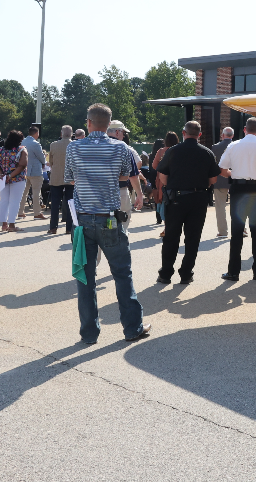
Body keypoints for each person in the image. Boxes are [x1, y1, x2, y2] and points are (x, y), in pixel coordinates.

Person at [64, 103, 149, 344]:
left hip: (82, 220)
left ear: (88, 123)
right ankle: (133, 328)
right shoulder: (120, 147)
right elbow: (125, 175)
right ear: (109, 124)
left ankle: (89, 333)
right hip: (110, 218)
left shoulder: (74, 147)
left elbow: (70, 180)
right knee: (122, 274)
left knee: (85, 277)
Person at [155, 121, 220, 284]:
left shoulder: (172, 151)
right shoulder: (207, 153)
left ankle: (166, 273)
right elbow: (213, 179)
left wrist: (171, 185)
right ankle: (186, 273)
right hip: (198, 198)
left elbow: (162, 175)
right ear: (199, 135)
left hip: (176, 197)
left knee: (171, 236)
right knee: (193, 238)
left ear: (183, 133)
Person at [218, 117, 256, 281]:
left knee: (237, 231)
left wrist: (233, 174)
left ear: (245, 129)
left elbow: (222, 170)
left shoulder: (233, 145)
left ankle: (233, 272)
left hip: (238, 188)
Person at [107, 121, 143, 228]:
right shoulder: (124, 148)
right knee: (122, 226)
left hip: (98, 192)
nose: (124, 135)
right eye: (123, 132)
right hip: (119, 191)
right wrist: (139, 194)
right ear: (117, 132)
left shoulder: (96, 146)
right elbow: (133, 175)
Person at [0, 130, 28, 232]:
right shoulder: (22, 150)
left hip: (3, 179)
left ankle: (4, 224)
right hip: (18, 179)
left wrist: (1, 175)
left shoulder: (1, 150)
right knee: (14, 201)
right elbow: (22, 165)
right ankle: (12, 225)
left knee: (4, 201)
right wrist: (10, 175)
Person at [46, 125, 74, 235]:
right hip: (71, 178)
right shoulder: (75, 145)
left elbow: (51, 162)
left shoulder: (53, 145)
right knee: (70, 203)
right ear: (72, 134)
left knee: (55, 203)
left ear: (61, 133)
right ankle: (69, 227)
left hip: (56, 176)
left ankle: (53, 227)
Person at [152, 132, 178, 233]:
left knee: (164, 202)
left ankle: (166, 226)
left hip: (162, 180)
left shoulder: (161, 151)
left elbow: (154, 166)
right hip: (176, 179)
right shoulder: (178, 149)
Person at [18, 125, 46, 219]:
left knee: (23, 192)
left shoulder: (22, 141)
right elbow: (41, 157)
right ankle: (37, 213)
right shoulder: (35, 144)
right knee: (36, 192)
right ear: (36, 133)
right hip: (35, 171)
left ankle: (20, 212)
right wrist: (44, 162)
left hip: (24, 170)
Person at [210, 127, 234, 237]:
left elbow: (213, 165)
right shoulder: (237, 147)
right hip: (234, 179)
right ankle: (241, 229)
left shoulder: (215, 147)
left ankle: (223, 231)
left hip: (219, 179)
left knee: (220, 206)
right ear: (232, 136)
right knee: (238, 205)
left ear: (222, 135)